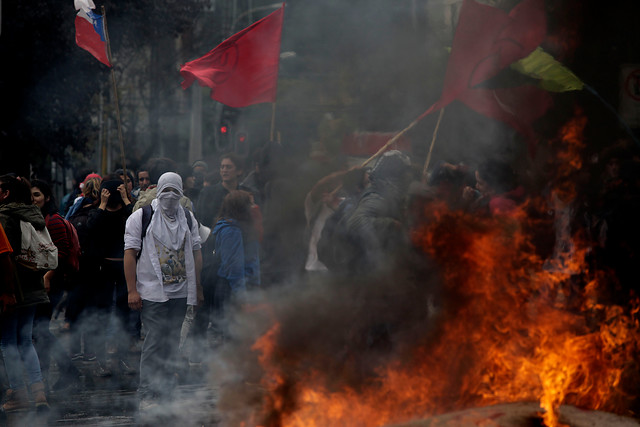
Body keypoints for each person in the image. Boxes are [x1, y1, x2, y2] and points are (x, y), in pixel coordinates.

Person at [124, 172, 202, 411]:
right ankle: (147, 392)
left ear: (181, 193)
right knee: (155, 340)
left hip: (180, 293)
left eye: (174, 192)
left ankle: (166, 390)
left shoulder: (187, 218)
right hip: (151, 292)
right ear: (158, 192)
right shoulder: (141, 217)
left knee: (171, 342)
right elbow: (129, 253)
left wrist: (197, 287)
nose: (170, 197)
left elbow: (197, 253)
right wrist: (131, 290)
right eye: (165, 191)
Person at [0, 174, 50, 412]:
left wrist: (7, 291)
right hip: (33, 286)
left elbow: (4, 257)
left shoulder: (4, 216)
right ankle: (39, 392)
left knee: (8, 342)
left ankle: (18, 394)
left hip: (13, 289)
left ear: (6, 193)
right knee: (26, 340)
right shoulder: (33, 214)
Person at [30, 179, 82, 391]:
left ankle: (53, 375)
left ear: (47, 197)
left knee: (40, 330)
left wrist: (48, 277)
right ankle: (60, 372)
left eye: (37, 195)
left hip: (53, 282)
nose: (33, 200)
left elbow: (60, 254)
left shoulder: (54, 222)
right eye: (30, 196)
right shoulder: (36, 219)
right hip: (41, 282)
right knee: (38, 330)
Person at [84, 175, 136, 377]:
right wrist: (103, 204)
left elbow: (138, 223)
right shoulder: (99, 212)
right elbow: (90, 228)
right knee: (102, 314)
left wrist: (126, 200)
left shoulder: (127, 212)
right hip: (103, 270)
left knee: (124, 314)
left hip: (125, 269)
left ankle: (121, 357)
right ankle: (100, 359)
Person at [345, 150, 413, 275]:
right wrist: (392, 224)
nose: (407, 179)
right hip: (372, 274)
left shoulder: (388, 196)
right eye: (404, 174)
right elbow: (356, 222)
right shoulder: (377, 196)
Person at [208, 190, 261, 342]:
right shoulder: (231, 230)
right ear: (241, 207)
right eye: (250, 203)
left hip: (240, 287)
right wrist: (242, 298)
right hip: (231, 290)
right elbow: (234, 268)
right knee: (234, 335)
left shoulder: (241, 227)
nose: (254, 206)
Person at [196, 153, 253, 229]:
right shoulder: (208, 193)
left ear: (239, 171)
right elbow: (201, 220)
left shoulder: (246, 193)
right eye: (222, 167)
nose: (224, 170)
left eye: (228, 167)